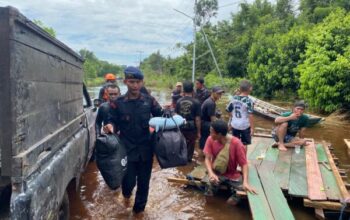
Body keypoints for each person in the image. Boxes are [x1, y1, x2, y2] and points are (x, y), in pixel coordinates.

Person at [104, 66, 163, 214]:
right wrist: (110, 126)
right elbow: (112, 120)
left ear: (142, 82)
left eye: (137, 82)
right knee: (128, 183)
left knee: (144, 184)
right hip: (126, 150)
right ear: (125, 82)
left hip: (146, 151)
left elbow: (161, 116)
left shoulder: (150, 101)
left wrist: (170, 116)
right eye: (131, 82)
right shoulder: (117, 103)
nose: (135, 85)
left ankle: (138, 212)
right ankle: (126, 197)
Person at [203, 120, 256, 205]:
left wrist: (245, 182)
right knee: (209, 188)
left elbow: (244, 164)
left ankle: (227, 209)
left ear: (219, 134)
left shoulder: (237, 143)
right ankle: (210, 209)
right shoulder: (210, 139)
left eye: (212, 132)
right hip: (217, 173)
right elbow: (207, 159)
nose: (210, 134)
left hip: (232, 175)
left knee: (240, 192)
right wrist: (210, 173)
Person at [175, 81, 201, 162]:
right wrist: (199, 131)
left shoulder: (178, 101)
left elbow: (176, 115)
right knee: (190, 144)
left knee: (180, 143)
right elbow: (197, 119)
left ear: (183, 90)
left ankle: (180, 159)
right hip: (191, 128)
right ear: (193, 90)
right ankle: (188, 161)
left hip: (180, 126)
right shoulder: (196, 102)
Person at [226, 80, 254, 150]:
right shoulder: (249, 101)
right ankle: (243, 160)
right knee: (244, 144)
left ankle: (236, 159)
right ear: (250, 88)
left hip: (235, 124)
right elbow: (250, 115)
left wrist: (233, 116)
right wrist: (252, 128)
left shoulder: (234, 98)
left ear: (240, 89)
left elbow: (228, 110)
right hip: (244, 125)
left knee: (235, 143)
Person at [199, 86, 225, 151]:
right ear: (212, 93)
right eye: (218, 93)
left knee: (204, 139)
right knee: (219, 129)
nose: (220, 95)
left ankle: (204, 151)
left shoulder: (210, 101)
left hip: (204, 122)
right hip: (205, 123)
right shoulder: (210, 103)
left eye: (221, 94)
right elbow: (213, 119)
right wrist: (222, 123)